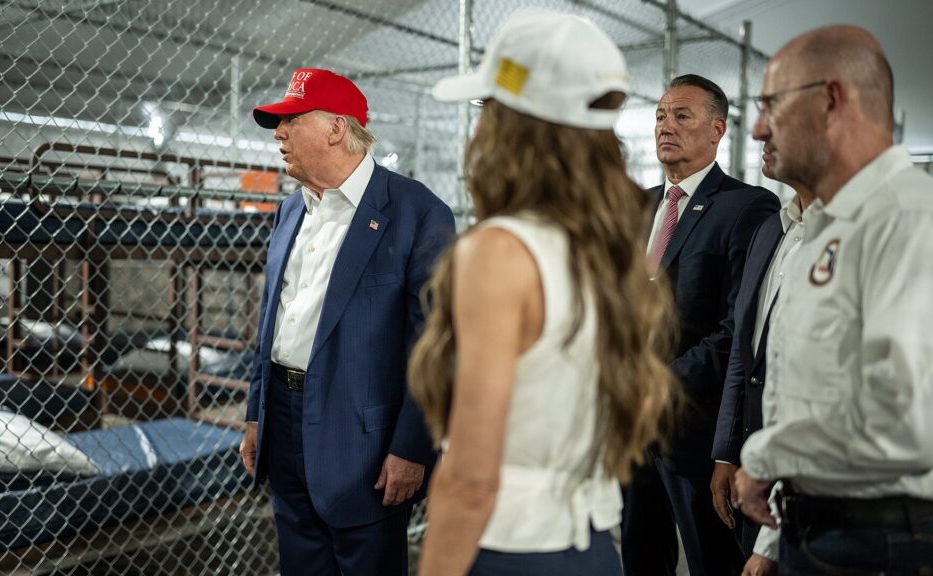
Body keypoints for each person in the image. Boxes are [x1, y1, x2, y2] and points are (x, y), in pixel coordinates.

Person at [410, 9, 679, 576]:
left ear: (513, 123)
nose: (476, 129)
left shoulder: (498, 252)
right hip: (593, 546)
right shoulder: (604, 252)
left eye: (486, 109)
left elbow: (472, 477)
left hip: (510, 551)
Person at [238, 67, 455, 576]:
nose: (279, 133)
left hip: (365, 439)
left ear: (338, 127)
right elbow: (274, 320)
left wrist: (411, 447)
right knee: (302, 562)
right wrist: (257, 412)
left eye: (291, 119)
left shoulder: (417, 211)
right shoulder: (291, 211)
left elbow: (437, 344)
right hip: (285, 421)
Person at [735, 25, 933, 574]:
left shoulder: (906, 217)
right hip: (818, 529)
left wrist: (763, 458)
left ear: (831, 99)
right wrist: (775, 536)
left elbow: (906, 421)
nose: (756, 130)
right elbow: (811, 395)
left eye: (770, 104)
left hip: (881, 542)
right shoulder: (826, 226)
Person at [621, 74, 779, 576]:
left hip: (696, 429)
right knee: (640, 556)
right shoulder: (639, 205)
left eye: (681, 116)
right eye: (661, 116)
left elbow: (738, 327)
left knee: (711, 559)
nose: (666, 126)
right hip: (633, 426)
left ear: (717, 129)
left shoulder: (747, 206)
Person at [710, 170, 815, 576]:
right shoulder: (773, 227)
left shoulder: (850, 237)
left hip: (806, 489)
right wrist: (727, 450)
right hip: (753, 468)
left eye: (776, 111)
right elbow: (744, 350)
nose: (760, 132)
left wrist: (773, 537)